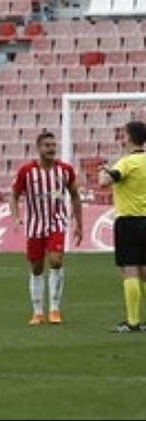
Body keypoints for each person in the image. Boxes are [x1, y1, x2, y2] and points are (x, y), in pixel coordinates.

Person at [10, 131, 83, 325]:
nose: (51, 148)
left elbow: (75, 196)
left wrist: (79, 224)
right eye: (47, 145)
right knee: (36, 267)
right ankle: (37, 311)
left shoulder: (65, 170)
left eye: (53, 144)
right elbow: (14, 195)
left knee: (56, 261)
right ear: (38, 148)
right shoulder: (26, 171)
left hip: (56, 222)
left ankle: (54, 309)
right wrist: (16, 216)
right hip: (35, 225)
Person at [98, 121, 146, 333]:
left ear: (129, 137)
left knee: (130, 270)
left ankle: (133, 321)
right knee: (145, 271)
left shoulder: (127, 162)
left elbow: (105, 182)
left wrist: (103, 171)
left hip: (129, 221)